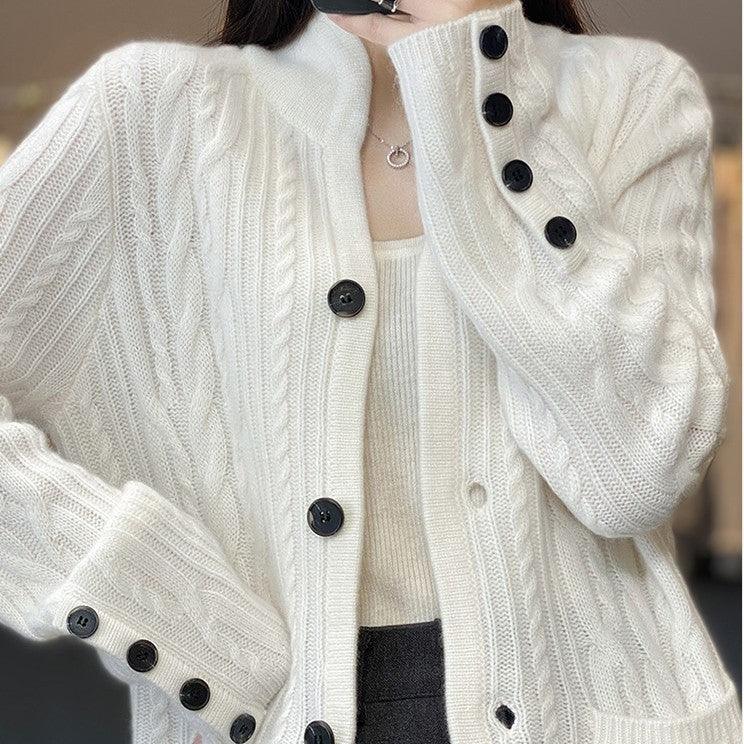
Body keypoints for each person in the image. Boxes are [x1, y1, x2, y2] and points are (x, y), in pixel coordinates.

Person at [0, 1, 741, 743]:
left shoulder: (630, 95)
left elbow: (635, 479)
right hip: (275, 710)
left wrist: (476, 95)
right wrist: (162, 592)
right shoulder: (152, 112)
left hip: (581, 713)